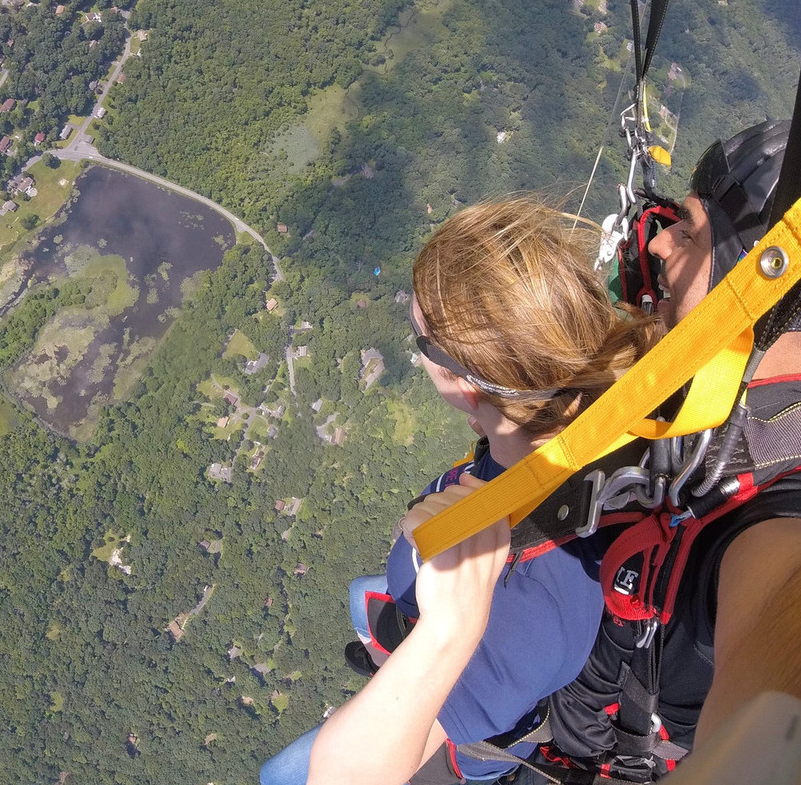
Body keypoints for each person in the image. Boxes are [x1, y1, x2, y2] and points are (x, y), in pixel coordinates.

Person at [409, 120, 801, 783]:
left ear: (763, 278)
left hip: (560, 741)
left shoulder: (786, 528)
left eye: (692, 232)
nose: (664, 241)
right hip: (566, 705)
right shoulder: (724, 390)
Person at [259, 197, 660, 785]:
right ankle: (389, 651)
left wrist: (442, 639)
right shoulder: (573, 435)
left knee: (280, 777)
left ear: (467, 386)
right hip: (438, 614)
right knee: (357, 597)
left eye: (423, 345)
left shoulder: (532, 609)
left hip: (459, 739)